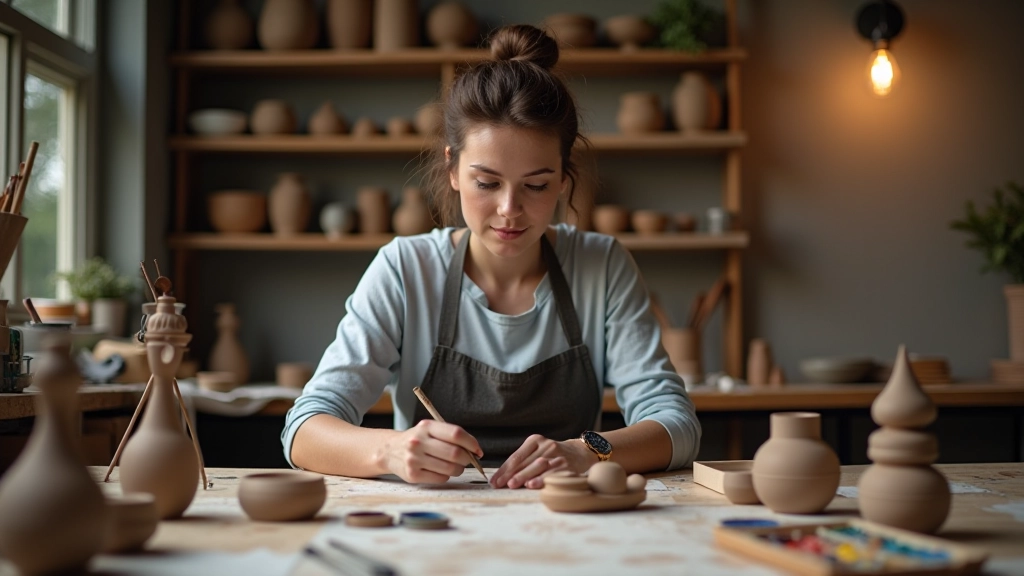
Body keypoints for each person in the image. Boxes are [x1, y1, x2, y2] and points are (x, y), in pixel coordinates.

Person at [282, 24, 700, 489]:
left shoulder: (602, 266)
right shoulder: (405, 269)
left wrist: (584, 452)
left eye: (536, 185)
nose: (509, 210)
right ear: (453, 170)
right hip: (435, 528)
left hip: (564, 523)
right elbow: (303, 429)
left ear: (564, 180)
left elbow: (676, 426)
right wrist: (391, 450)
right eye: (487, 183)